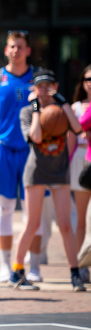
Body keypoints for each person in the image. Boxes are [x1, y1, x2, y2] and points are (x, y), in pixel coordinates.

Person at [10, 69, 85, 292]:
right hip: (36, 171)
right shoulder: (26, 112)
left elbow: (78, 128)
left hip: (59, 171)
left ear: (56, 87)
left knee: (65, 224)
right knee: (33, 223)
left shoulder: (63, 110)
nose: (44, 90)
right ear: (33, 89)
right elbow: (36, 137)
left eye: (48, 86)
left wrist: (62, 102)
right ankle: (17, 271)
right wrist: (36, 109)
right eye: (40, 86)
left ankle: (75, 273)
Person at [0, 31, 45, 283]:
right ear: (6, 50)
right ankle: (5, 266)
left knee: (34, 211)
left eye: (20, 46)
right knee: (5, 207)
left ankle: (35, 266)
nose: (15, 50)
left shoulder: (38, 78)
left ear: (28, 50)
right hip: (3, 149)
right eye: (11, 46)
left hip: (32, 150)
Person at [70, 65, 91, 278]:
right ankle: (81, 265)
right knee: (81, 217)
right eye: (87, 79)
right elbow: (72, 136)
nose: (90, 83)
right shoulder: (75, 107)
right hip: (80, 160)